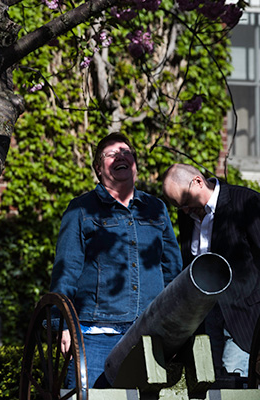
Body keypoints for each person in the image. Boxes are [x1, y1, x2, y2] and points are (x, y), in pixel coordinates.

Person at [50, 133, 182, 388]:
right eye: (111, 154)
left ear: (135, 164)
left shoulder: (155, 208)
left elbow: (172, 271)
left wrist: (174, 327)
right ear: (98, 169)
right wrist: (63, 325)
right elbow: (66, 271)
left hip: (149, 332)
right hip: (96, 336)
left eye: (126, 152)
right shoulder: (81, 210)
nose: (121, 156)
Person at [163, 163, 260, 379]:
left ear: (198, 181)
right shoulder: (188, 217)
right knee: (210, 386)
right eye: (180, 208)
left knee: (234, 386)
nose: (186, 211)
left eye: (186, 203)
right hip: (204, 322)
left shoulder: (245, 202)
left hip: (243, 319)